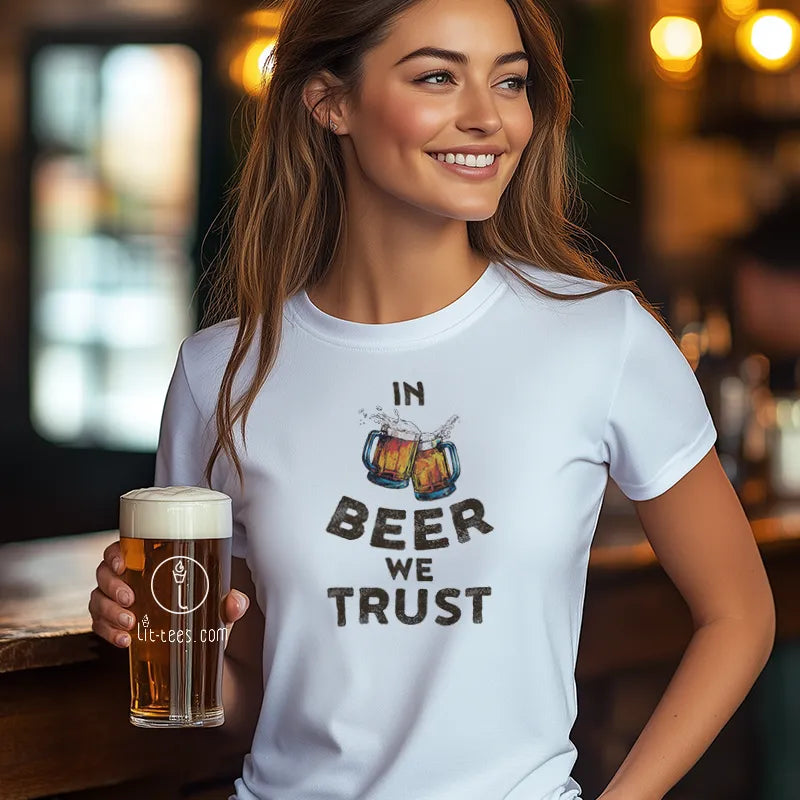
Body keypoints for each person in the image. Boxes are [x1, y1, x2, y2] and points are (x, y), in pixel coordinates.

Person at [88, 0, 776, 798]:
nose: (488, 118)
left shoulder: (602, 337)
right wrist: (158, 640)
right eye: (439, 76)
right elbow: (261, 705)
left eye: (510, 82)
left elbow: (740, 614)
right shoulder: (221, 373)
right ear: (329, 100)